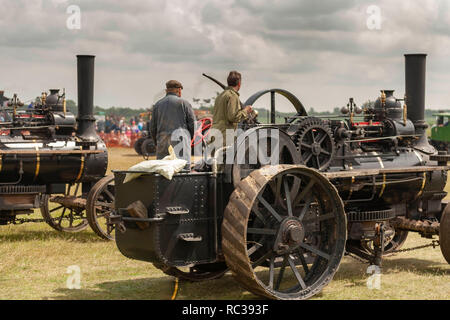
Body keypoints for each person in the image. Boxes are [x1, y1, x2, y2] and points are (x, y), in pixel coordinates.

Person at [150, 80, 196, 164]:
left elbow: (152, 127)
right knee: (182, 170)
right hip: (181, 142)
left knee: (163, 169)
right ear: (178, 90)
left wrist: (157, 142)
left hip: (163, 143)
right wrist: (189, 139)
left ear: (166, 91)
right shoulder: (184, 103)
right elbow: (192, 124)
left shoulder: (157, 105)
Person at [211, 71, 253, 145]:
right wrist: (246, 111)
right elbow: (233, 117)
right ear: (239, 84)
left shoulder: (220, 96)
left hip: (214, 135)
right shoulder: (233, 96)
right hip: (225, 137)